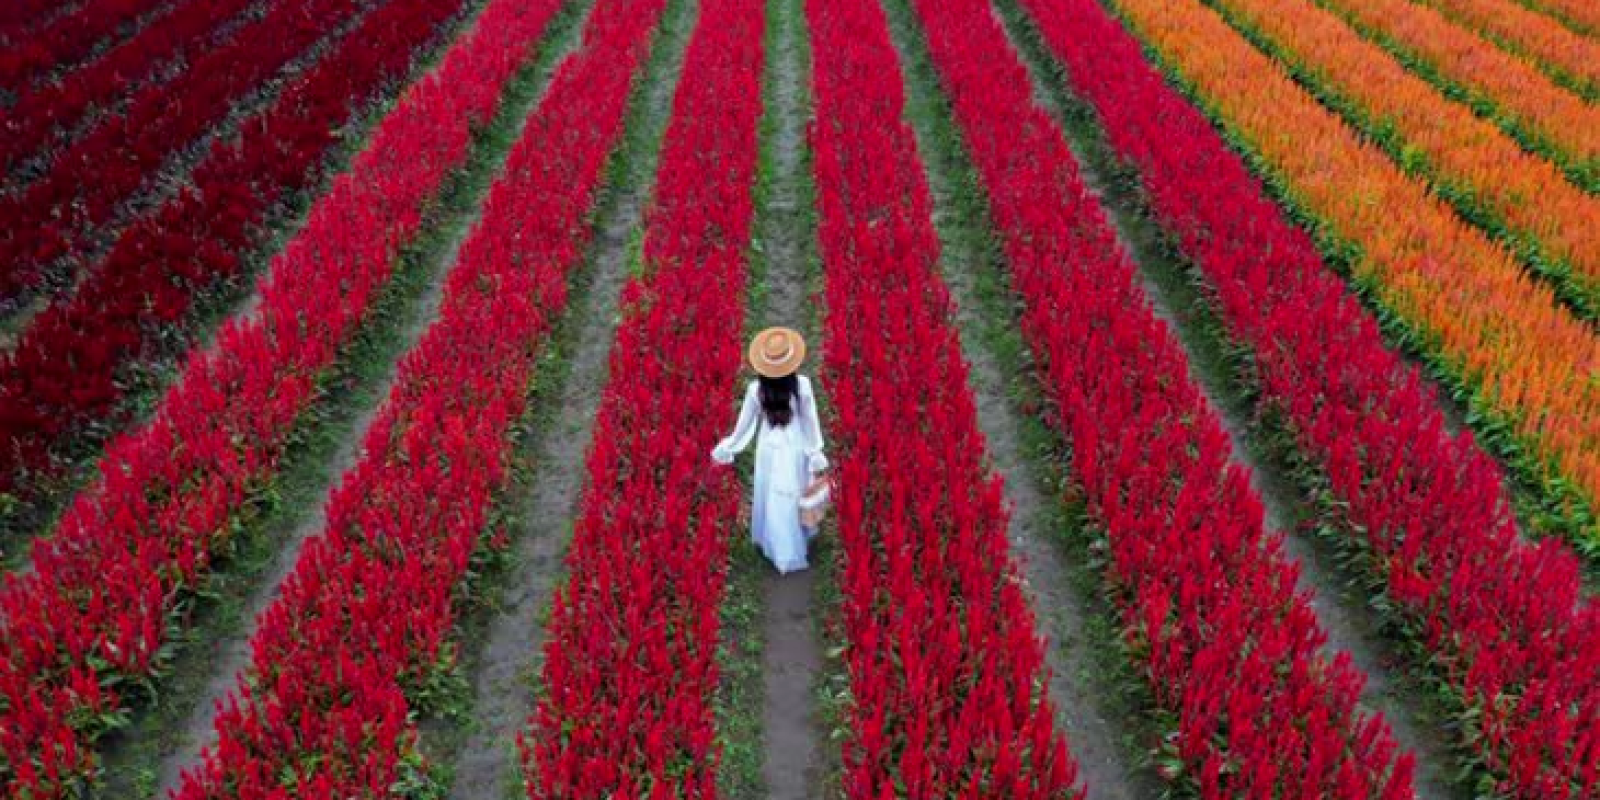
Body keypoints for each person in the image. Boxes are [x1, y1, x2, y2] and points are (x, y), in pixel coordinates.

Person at [711, 327, 828, 574]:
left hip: (769, 450)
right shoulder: (802, 386)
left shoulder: (757, 389)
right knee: (794, 492)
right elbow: (810, 422)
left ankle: (776, 544)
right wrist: (815, 451)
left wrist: (729, 447)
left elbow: (743, 427)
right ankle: (793, 540)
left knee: (772, 494)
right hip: (795, 448)